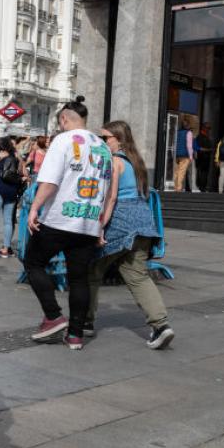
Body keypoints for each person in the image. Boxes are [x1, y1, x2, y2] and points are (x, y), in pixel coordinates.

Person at [22, 96, 112, 350]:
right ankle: (75, 335)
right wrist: (100, 225)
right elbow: (108, 190)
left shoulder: (63, 140)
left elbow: (50, 181)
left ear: (64, 119)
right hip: (88, 221)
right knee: (79, 278)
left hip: (59, 218)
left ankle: (53, 316)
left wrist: (35, 207)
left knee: (33, 262)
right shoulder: (103, 146)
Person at [88, 121, 175, 349]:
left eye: (105, 138)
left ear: (118, 139)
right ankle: (161, 325)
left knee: (92, 269)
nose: (103, 142)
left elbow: (112, 198)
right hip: (144, 222)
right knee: (138, 276)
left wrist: (100, 227)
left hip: (122, 222)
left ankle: (85, 321)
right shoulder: (136, 161)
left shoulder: (115, 161)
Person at [173, 117, 198, 193]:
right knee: (181, 172)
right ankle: (178, 188)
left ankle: (175, 187)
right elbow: (189, 145)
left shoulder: (177, 132)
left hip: (177, 155)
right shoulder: (189, 133)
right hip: (185, 155)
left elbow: (174, 143)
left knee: (176, 171)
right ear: (188, 125)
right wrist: (191, 156)